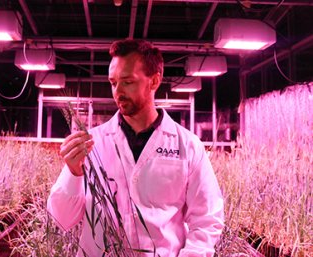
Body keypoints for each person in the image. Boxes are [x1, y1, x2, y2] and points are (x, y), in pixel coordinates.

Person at [47, 39, 224, 257]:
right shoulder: (92, 143)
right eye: (113, 82)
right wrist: (73, 173)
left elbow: (207, 218)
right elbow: (61, 219)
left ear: (154, 81)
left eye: (128, 82)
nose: (117, 91)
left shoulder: (187, 145)